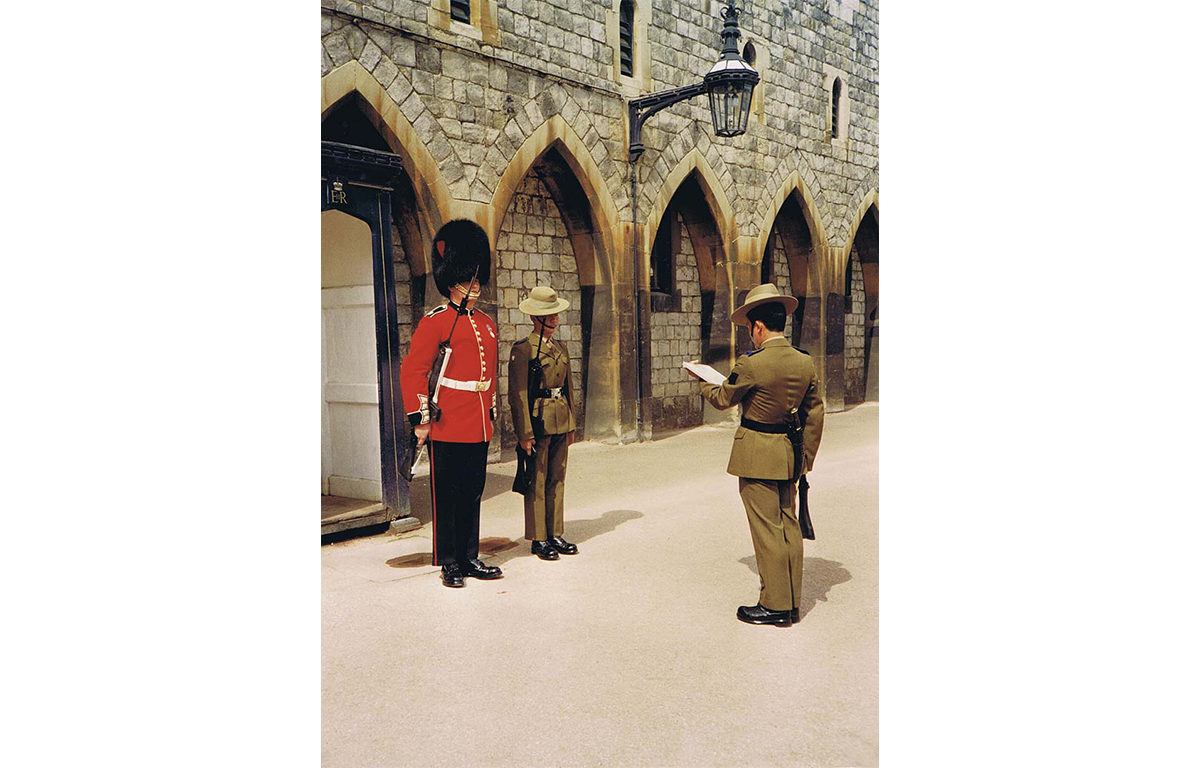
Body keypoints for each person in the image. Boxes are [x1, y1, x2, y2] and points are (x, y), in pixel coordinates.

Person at [693, 283, 824, 626]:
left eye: (750, 328)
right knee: (788, 527)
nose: (750, 335)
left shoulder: (752, 363)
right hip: (790, 454)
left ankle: (775, 605)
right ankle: (792, 601)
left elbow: (724, 398)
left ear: (759, 327)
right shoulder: (804, 362)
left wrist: (701, 379)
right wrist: (805, 457)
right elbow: (815, 414)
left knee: (766, 531)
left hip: (757, 454)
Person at [399, 220, 503, 588]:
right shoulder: (436, 322)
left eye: (478, 280)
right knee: (448, 493)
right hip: (448, 421)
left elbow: (488, 378)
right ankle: (449, 561)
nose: (476, 286)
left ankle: (470, 555)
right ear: (453, 280)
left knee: (473, 489)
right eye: (470, 280)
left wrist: (490, 413)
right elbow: (413, 371)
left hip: (477, 421)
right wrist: (420, 419)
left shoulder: (487, 324)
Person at [507, 286, 579, 561]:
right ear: (535, 318)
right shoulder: (523, 350)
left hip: (561, 418)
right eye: (549, 314)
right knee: (537, 480)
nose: (554, 318)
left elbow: (570, 388)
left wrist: (572, 424)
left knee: (557, 478)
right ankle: (539, 538)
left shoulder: (561, 347)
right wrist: (524, 432)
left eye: (556, 313)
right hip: (538, 421)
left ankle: (555, 532)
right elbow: (519, 394)